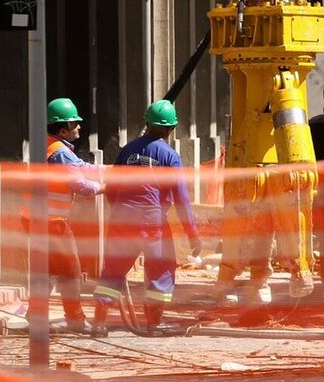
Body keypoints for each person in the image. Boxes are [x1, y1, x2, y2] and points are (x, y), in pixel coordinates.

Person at [91, 100, 202, 337]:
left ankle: (99, 324)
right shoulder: (170, 156)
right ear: (171, 129)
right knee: (161, 269)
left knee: (113, 269)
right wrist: (193, 235)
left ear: (147, 123)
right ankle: (154, 323)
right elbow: (181, 199)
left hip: (123, 217)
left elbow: (111, 188)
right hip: (153, 222)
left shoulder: (127, 150)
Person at [24, 98, 104, 334]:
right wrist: (106, 187)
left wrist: (113, 171)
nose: (79, 127)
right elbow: (80, 185)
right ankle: (75, 320)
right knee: (70, 272)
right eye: (75, 124)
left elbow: (81, 166)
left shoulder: (51, 147)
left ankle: (35, 315)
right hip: (52, 222)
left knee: (47, 271)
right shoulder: (58, 153)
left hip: (36, 219)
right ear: (63, 129)